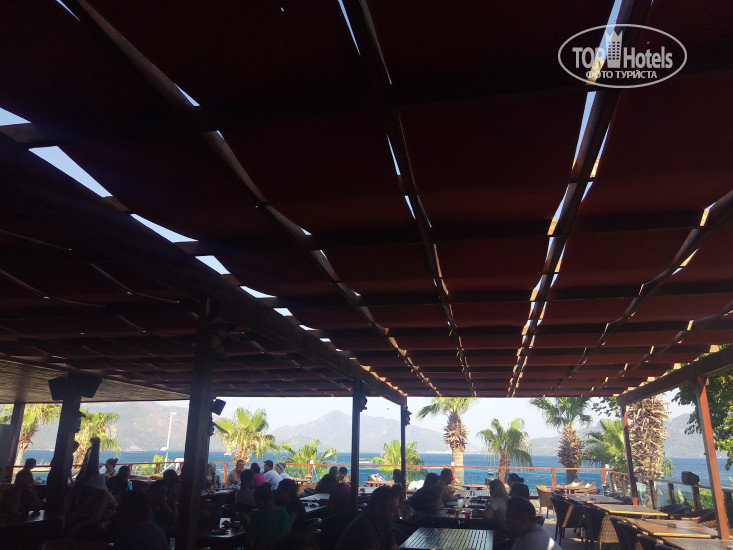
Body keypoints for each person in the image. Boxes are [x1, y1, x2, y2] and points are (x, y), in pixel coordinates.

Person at [335, 485, 399, 550]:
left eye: (397, 509)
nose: (397, 515)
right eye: (392, 510)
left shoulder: (384, 524)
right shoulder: (364, 529)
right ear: (377, 509)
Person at [247, 483, 291, 550]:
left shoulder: (258, 517)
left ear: (260, 500)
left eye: (256, 500)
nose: (255, 504)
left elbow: (251, 542)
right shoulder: (284, 511)